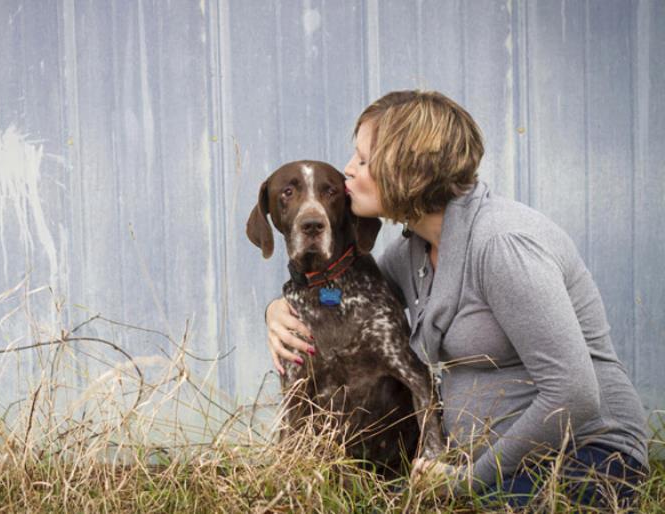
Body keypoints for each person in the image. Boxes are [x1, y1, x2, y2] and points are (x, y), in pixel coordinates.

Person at [263, 90, 649, 507]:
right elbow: (349, 299)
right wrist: (275, 310)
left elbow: (574, 395)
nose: (347, 172)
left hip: (587, 457)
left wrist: (468, 482)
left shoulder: (503, 245)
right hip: (490, 461)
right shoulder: (411, 253)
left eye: (362, 160)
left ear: (407, 170)